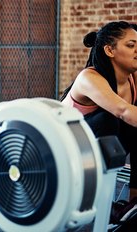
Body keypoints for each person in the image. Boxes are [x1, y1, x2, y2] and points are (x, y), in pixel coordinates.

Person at [61, 21, 137, 222]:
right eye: (131, 45)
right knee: (109, 119)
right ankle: (103, 205)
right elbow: (123, 110)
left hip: (99, 147)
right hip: (64, 151)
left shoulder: (132, 78)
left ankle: (132, 204)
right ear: (110, 50)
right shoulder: (89, 77)